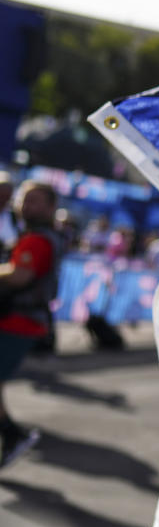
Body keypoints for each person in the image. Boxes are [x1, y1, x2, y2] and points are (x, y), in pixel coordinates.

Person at [0, 180, 62, 468]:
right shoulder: (34, 235)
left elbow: (19, 277)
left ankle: (13, 435)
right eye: (24, 200)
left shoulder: (38, 240)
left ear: (51, 207)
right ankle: (12, 435)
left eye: (35, 201)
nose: (27, 206)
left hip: (19, 322)